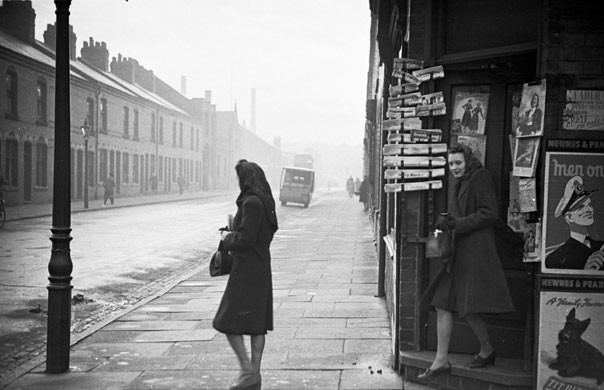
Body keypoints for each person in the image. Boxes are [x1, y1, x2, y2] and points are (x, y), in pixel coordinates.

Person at [418, 144, 514, 381]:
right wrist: (448, 221)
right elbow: (464, 213)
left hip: (475, 251)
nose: (454, 168)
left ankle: (486, 349)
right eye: (451, 164)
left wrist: (456, 224)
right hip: (459, 253)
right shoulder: (461, 181)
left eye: (458, 163)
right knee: (444, 303)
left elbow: (489, 213)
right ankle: (442, 360)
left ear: (468, 160)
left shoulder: (480, 177)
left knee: (464, 305)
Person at [213, 159, 278, 390]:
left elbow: (246, 239)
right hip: (260, 267)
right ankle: (255, 376)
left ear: (246, 180)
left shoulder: (251, 203)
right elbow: (261, 234)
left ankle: (247, 371)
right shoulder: (265, 201)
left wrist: (227, 237)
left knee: (227, 321)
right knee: (256, 324)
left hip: (246, 270)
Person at [545, 176, 603, 270]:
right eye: (581, 207)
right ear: (569, 217)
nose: (589, 209)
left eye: (589, 204)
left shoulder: (601, 246)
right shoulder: (556, 258)